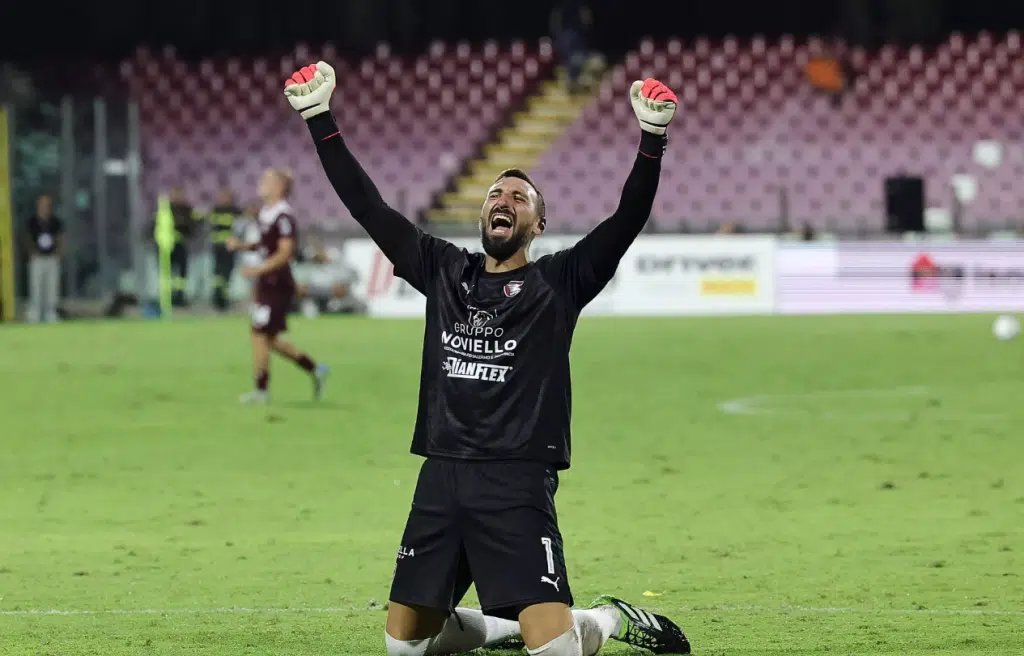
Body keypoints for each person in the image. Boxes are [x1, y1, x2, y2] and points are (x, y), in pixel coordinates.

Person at [285, 62, 689, 656]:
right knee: (405, 648)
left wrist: (651, 140)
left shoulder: (561, 283)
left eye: (519, 198)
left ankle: (604, 619)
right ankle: (504, 628)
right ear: (482, 216)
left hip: (517, 478)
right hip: (443, 473)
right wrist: (321, 120)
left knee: (555, 651)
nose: (504, 199)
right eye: (495, 193)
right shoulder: (444, 270)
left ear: (537, 224)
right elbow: (369, 209)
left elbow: (625, 220)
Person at [226, 168, 329, 404]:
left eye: (267, 181)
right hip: (268, 281)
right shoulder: (267, 213)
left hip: (277, 282)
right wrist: (242, 247)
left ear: (279, 187)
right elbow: (265, 245)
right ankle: (316, 370)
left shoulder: (284, 217)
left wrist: (257, 270)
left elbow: (284, 253)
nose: (261, 183)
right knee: (268, 337)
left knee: (259, 333)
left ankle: (261, 391)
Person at [23, 192, 64, 323]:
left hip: (51, 258)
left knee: (52, 286)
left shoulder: (55, 222)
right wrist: (32, 253)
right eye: (43, 204)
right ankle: (35, 312)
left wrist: (58, 254)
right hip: (37, 259)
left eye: (48, 204)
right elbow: (27, 238)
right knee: (36, 286)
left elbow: (61, 238)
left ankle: (51, 312)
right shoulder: (32, 221)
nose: (45, 206)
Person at [207, 186, 242, 311]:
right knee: (218, 272)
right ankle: (217, 296)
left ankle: (224, 298)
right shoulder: (217, 210)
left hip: (230, 247)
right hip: (219, 246)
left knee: (227, 272)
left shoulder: (234, 211)